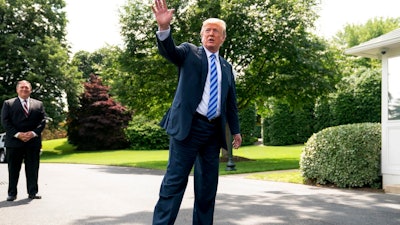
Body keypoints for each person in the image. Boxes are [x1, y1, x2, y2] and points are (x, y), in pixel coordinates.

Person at [151, 0, 242, 224]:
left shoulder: (227, 68)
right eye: (207, 30)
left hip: (213, 132)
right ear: (201, 35)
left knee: (207, 187)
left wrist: (236, 131)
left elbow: (230, 103)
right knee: (174, 183)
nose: (211, 34)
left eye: (216, 31)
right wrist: (164, 29)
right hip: (188, 129)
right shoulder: (190, 53)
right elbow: (170, 52)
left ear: (223, 38)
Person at [1, 80, 46, 201]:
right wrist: (17, 134)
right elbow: (5, 121)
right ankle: (12, 193)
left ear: (30, 90)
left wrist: (33, 133)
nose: (24, 89)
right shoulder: (8, 104)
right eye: (22, 87)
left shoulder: (39, 104)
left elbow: (42, 121)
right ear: (17, 90)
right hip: (14, 142)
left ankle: (33, 192)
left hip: (33, 142)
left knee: (33, 168)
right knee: (13, 169)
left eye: (27, 88)